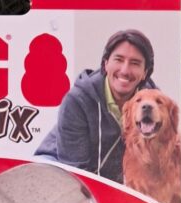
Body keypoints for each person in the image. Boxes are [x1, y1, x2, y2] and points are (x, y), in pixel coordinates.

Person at [35, 30, 156, 183]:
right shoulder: (77, 101)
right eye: (119, 60)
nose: (125, 70)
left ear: (145, 72)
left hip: (106, 178)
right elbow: (75, 170)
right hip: (60, 166)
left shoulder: (153, 104)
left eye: (135, 63)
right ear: (106, 64)